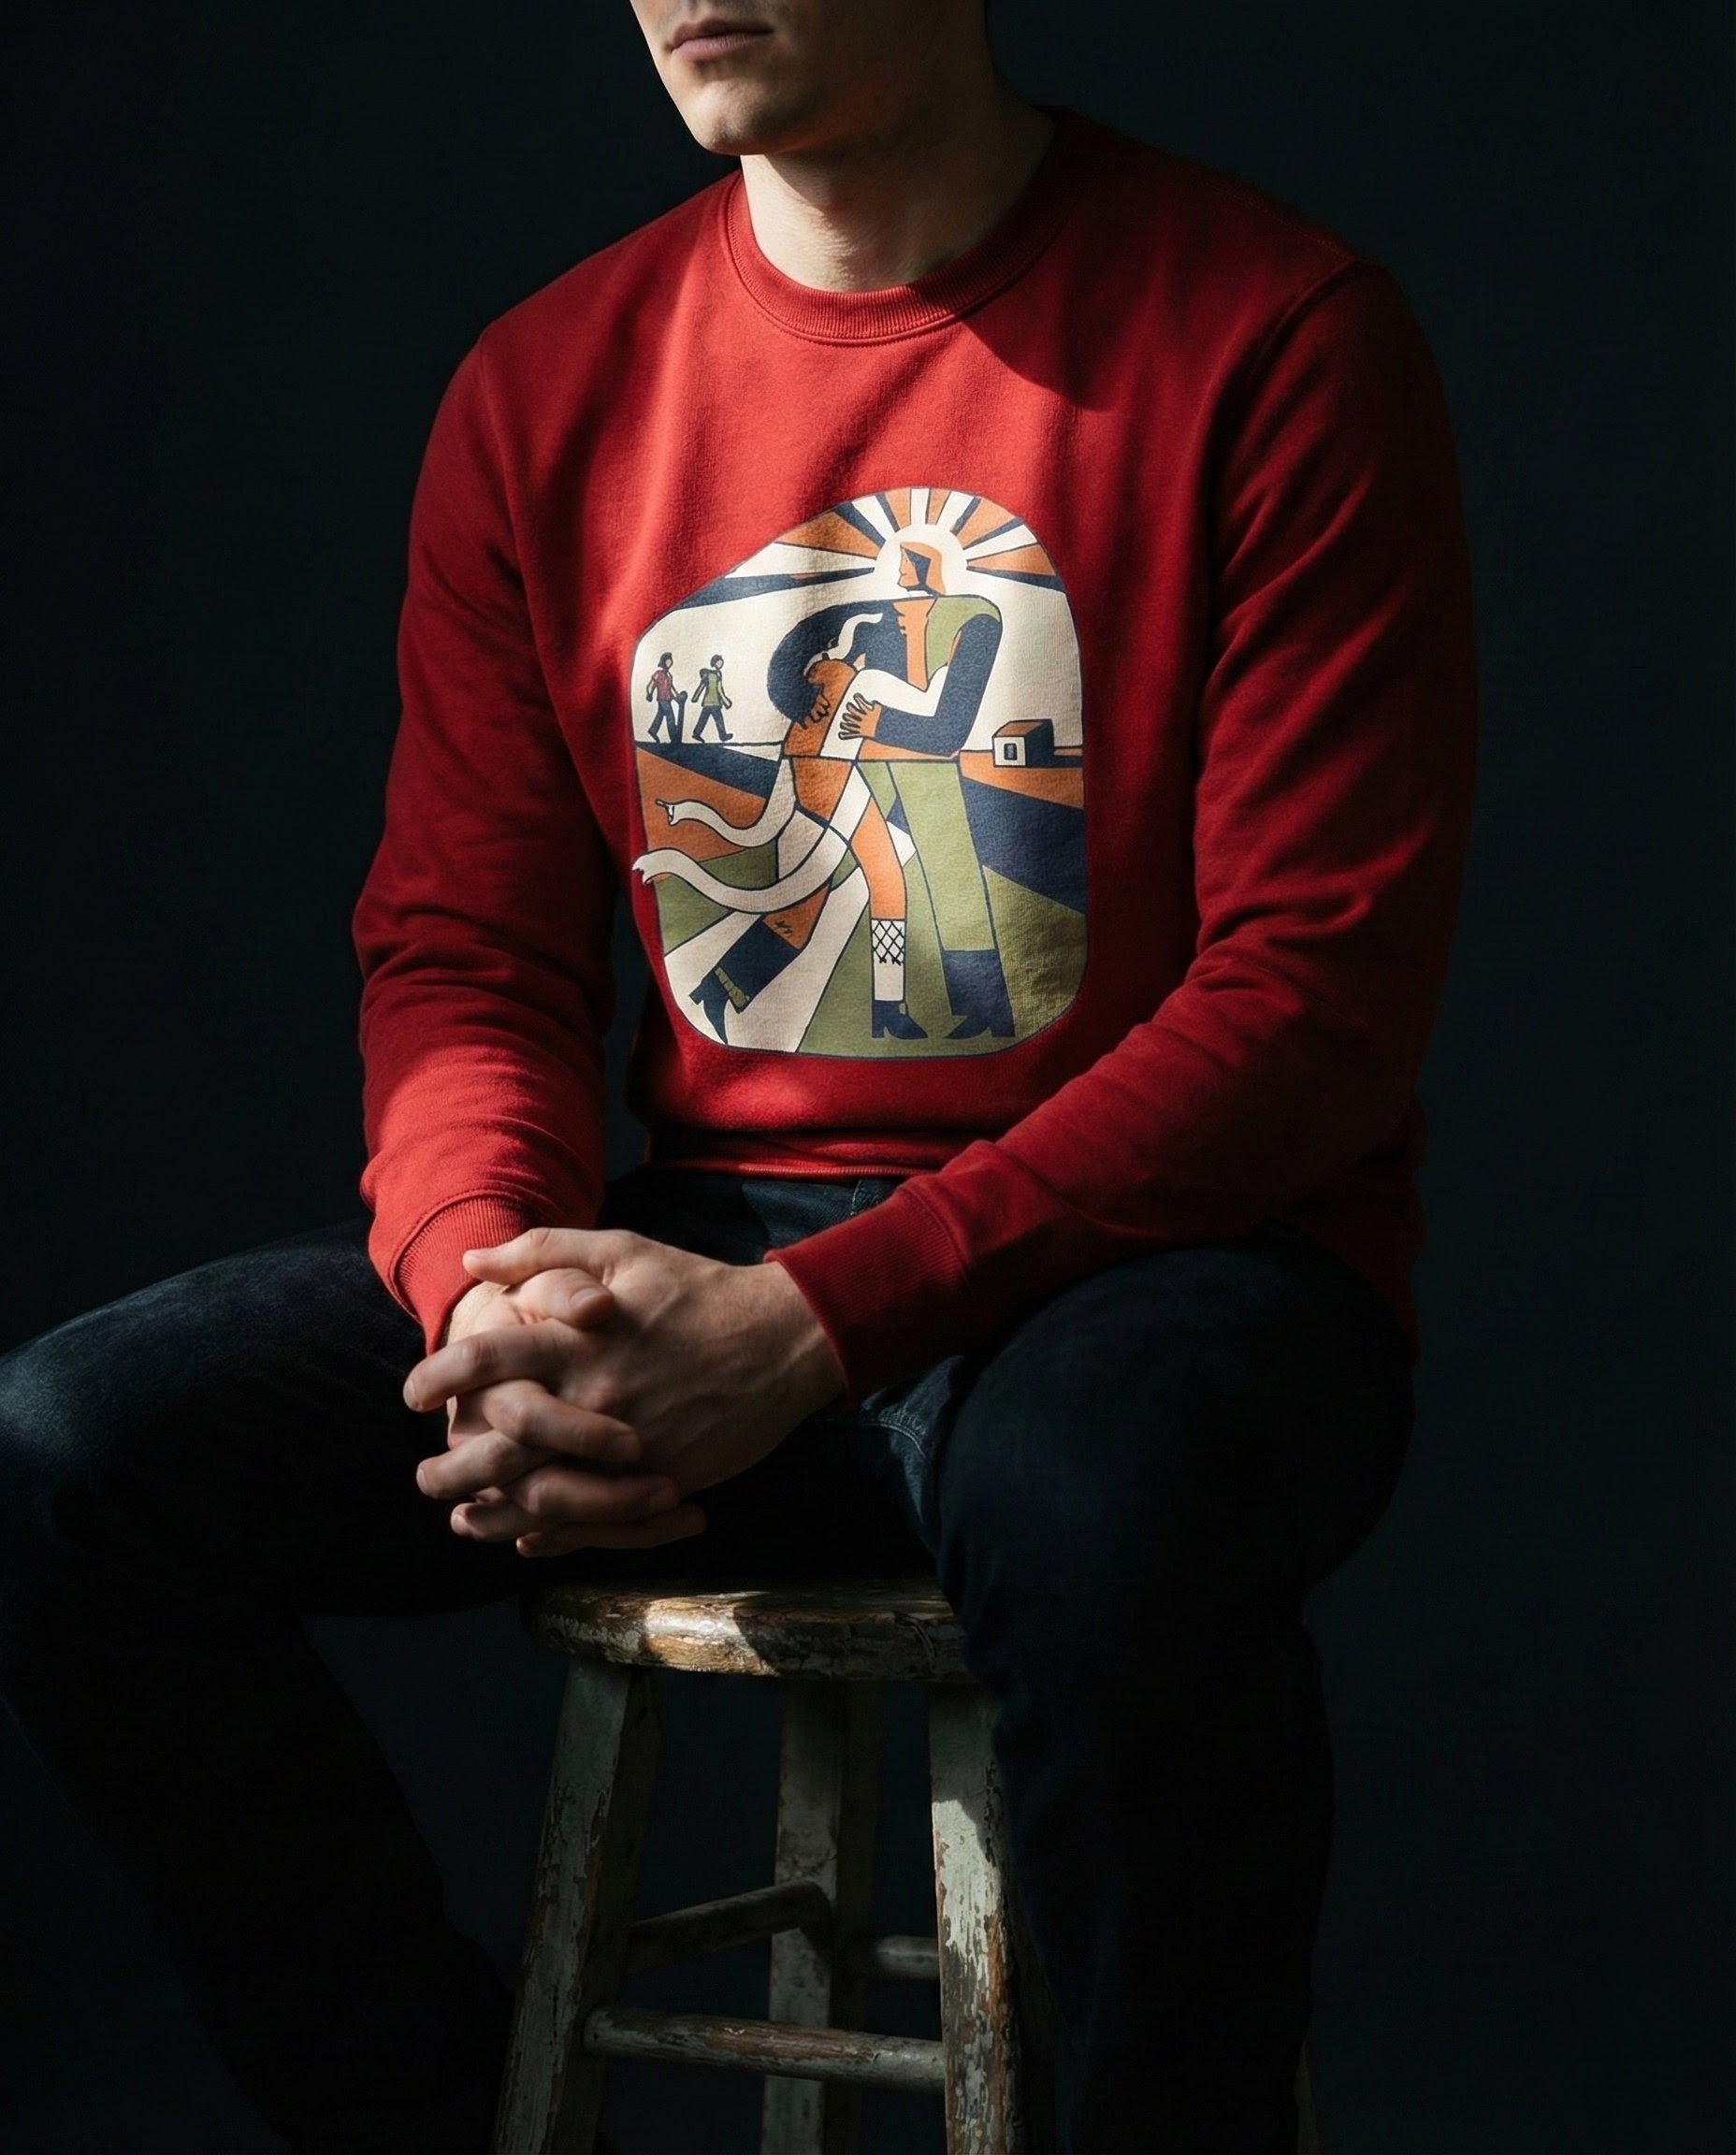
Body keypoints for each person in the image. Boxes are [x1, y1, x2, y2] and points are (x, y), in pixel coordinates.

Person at [0, 4, 1478, 2151]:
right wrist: (491, 1287)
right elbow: (461, 951)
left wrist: (811, 1330)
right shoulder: (546, 386)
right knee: (63, 1464)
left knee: (1104, 1505)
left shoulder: (1274, 332)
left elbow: (1313, 998)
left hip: (1157, 1270)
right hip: (708, 1257)